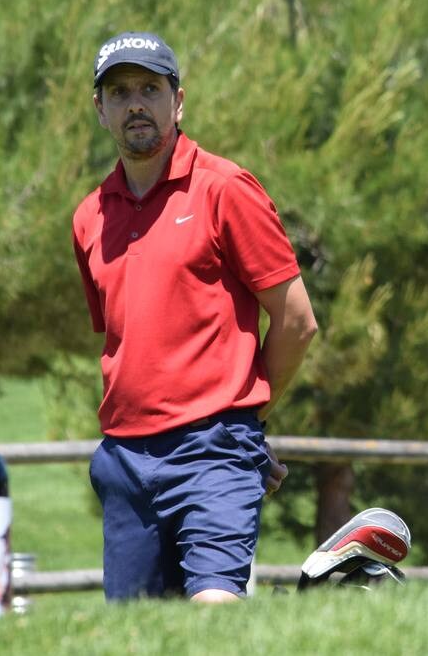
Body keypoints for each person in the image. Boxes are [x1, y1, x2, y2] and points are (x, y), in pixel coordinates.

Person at [72, 31, 318, 601]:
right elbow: (129, 345)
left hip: (214, 449)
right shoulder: (89, 218)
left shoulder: (225, 189)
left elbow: (297, 322)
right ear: (101, 110)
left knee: (215, 609)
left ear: (178, 101)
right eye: (120, 91)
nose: (136, 103)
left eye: (150, 89)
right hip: (125, 463)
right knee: (139, 639)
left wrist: (245, 426)